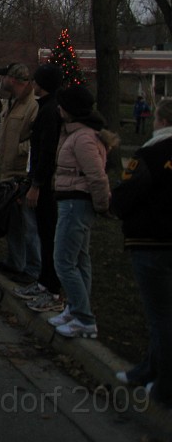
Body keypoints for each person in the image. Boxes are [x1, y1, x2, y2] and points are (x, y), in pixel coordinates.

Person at [113, 97, 172, 408]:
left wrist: (118, 209)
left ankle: (164, 385)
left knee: (160, 315)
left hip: (151, 241)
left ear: (160, 121)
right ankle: (149, 368)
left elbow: (126, 196)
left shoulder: (150, 154)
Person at [48, 84, 111, 338]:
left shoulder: (83, 138)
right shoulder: (76, 134)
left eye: (62, 104)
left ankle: (84, 318)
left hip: (76, 203)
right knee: (79, 259)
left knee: (63, 260)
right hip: (72, 201)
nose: (59, 108)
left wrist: (101, 204)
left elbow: (97, 176)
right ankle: (75, 308)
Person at [22, 62, 66, 314]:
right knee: (44, 233)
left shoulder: (50, 112)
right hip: (41, 179)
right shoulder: (47, 107)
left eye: (36, 80)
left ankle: (51, 287)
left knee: (48, 235)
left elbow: (47, 151)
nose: (33, 84)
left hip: (47, 185)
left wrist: (37, 183)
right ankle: (42, 282)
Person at [0, 63, 41, 287]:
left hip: (21, 172)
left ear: (13, 80)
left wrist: (19, 150)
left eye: (5, 78)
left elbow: (35, 140)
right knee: (11, 221)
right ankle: (15, 262)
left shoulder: (32, 106)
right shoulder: (10, 102)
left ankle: (33, 268)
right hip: (7, 170)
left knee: (27, 224)